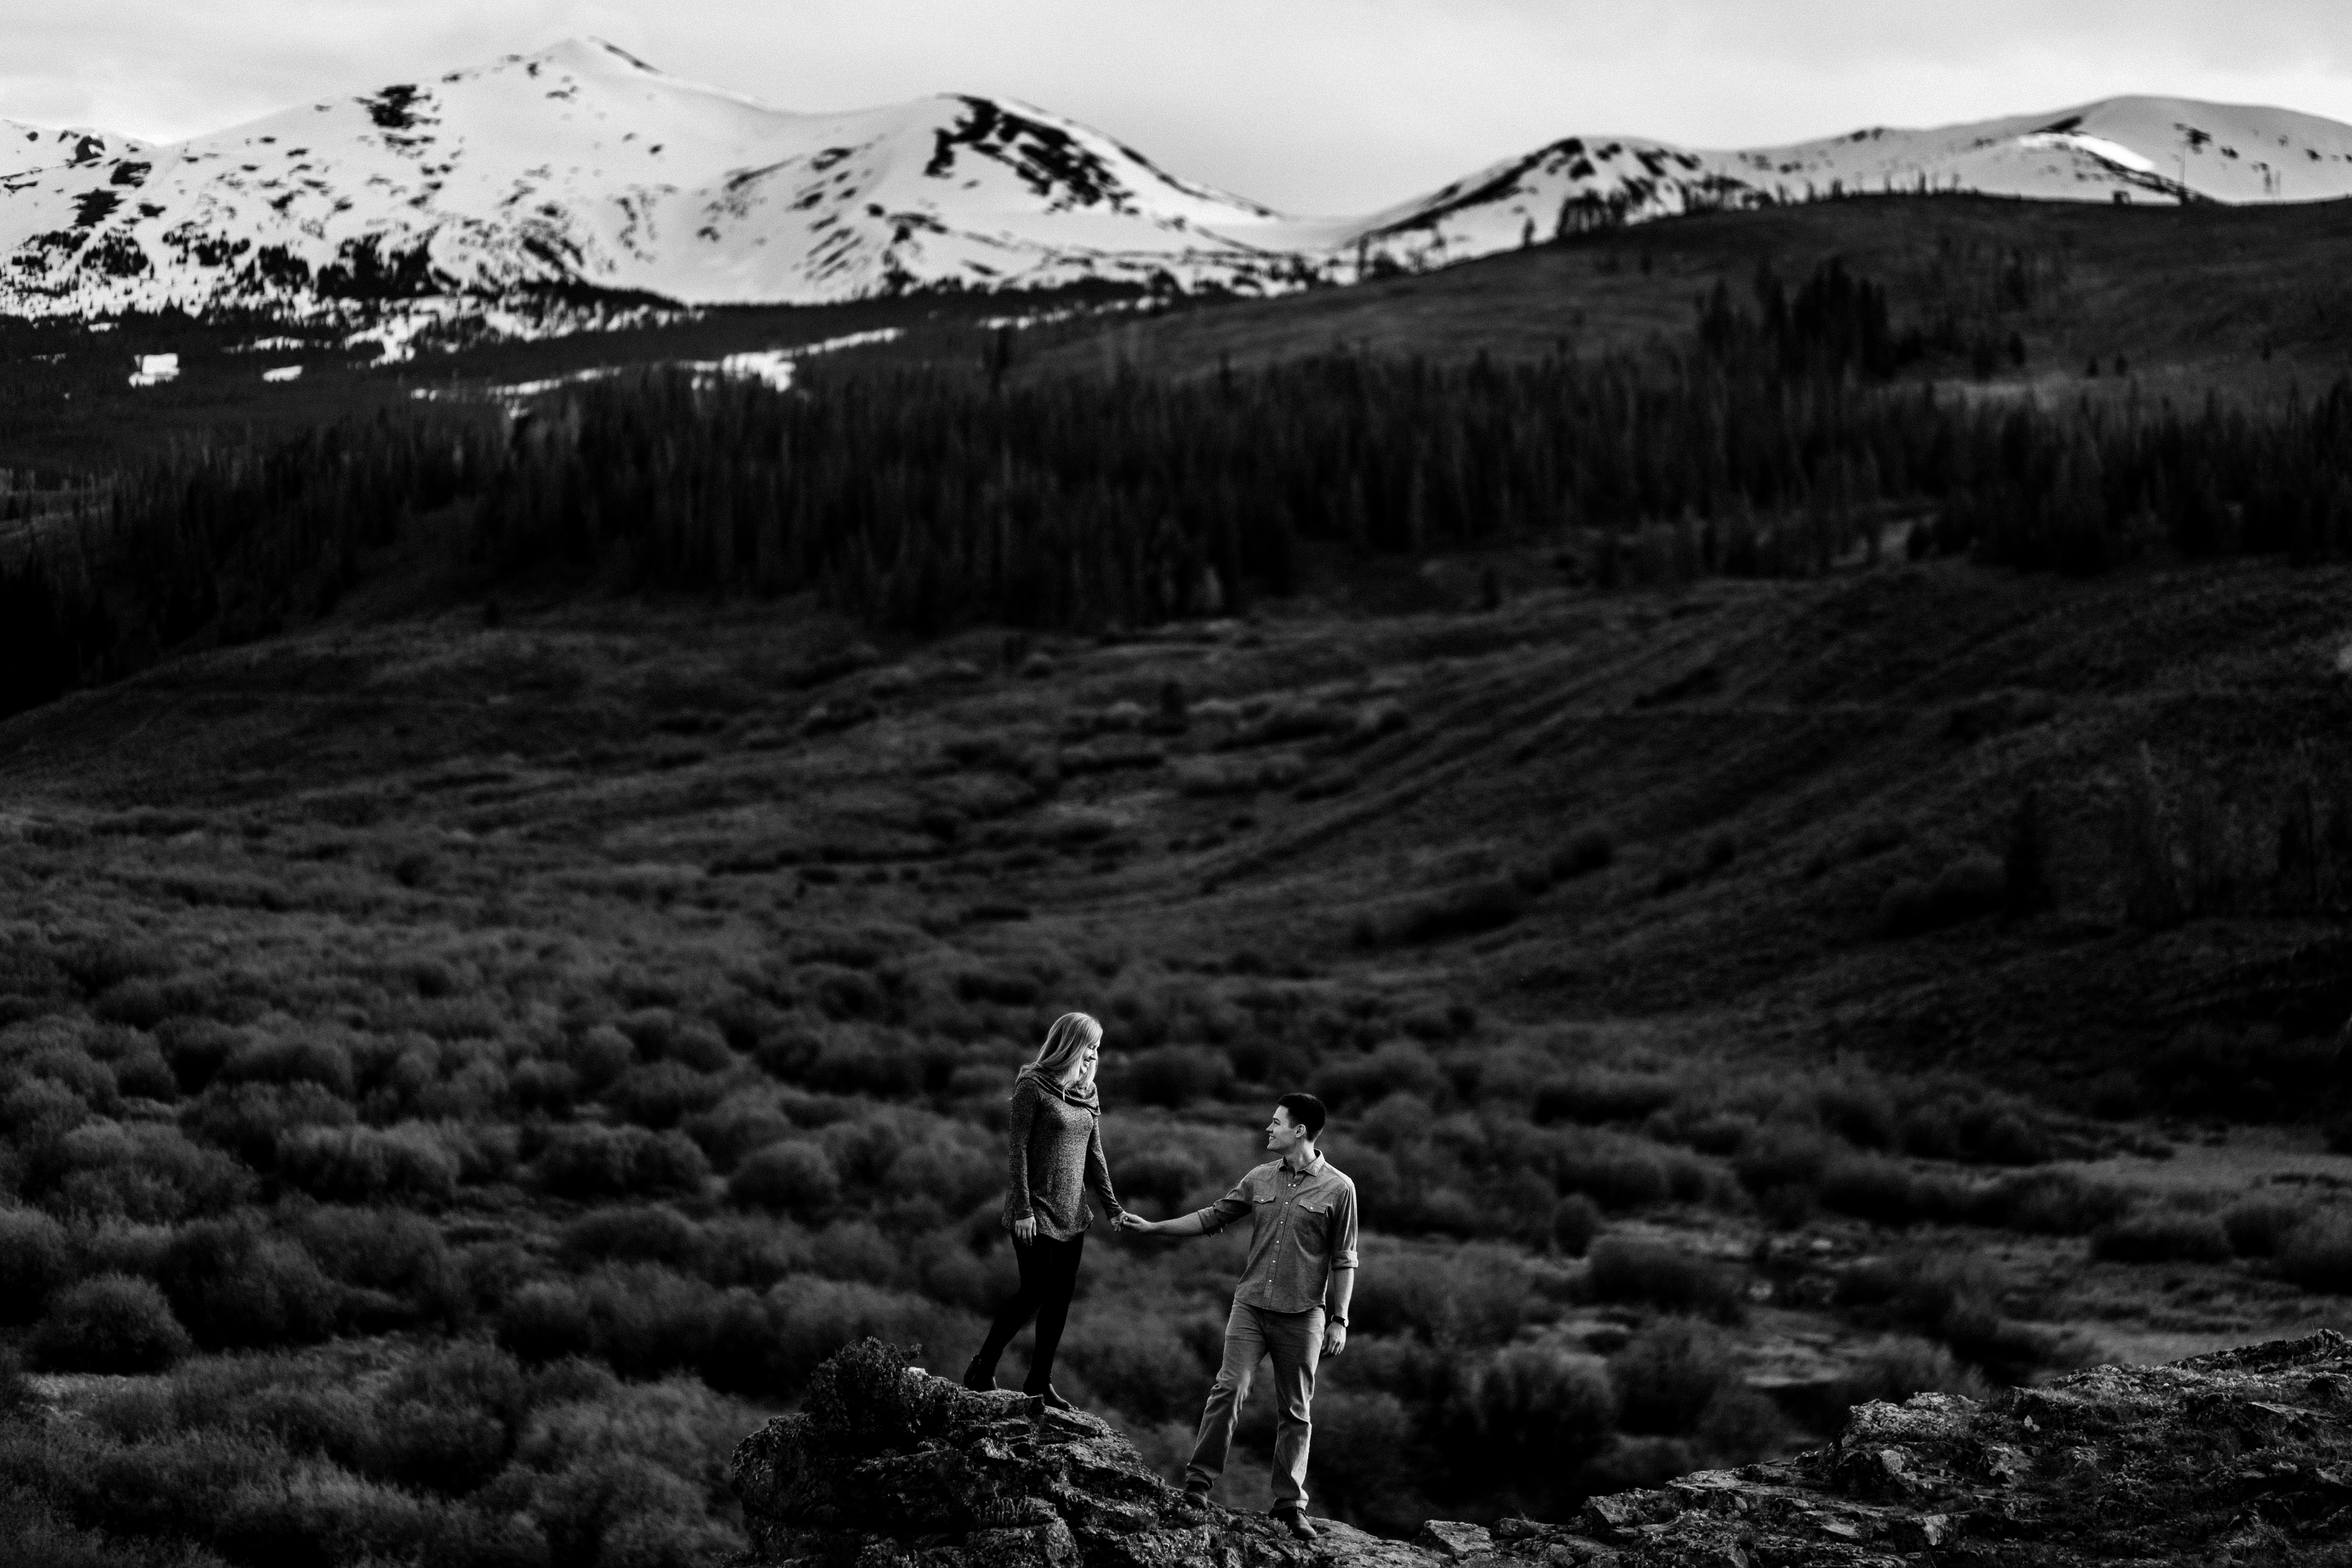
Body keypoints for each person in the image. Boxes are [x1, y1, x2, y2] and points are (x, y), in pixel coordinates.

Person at [1118, 1092, 1357, 1542]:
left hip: (1303, 1314)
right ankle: (1198, 1484)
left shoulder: (1340, 1189)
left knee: (1296, 1410)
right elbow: (1212, 1217)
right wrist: (1154, 1228)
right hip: (1250, 1305)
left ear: (1300, 1131)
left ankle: (1289, 1506)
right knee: (1229, 1387)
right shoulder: (1259, 1178)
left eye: (1277, 1122)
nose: (1268, 1129)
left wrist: (1339, 1320)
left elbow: (1345, 1260)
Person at [964, 1012, 1126, 1411]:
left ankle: (1039, 1380)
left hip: (1074, 1213)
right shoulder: (1032, 1086)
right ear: (1070, 1044)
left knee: (1060, 1298)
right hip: (1033, 1210)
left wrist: (1112, 1208)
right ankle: (982, 1368)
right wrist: (1021, 1208)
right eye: (1089, 1047)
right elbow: (1016, 1149)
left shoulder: (1089, 1092)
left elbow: (1095, 1154)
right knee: (1035, 1289)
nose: (1093, 1055)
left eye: (1097, 1049)